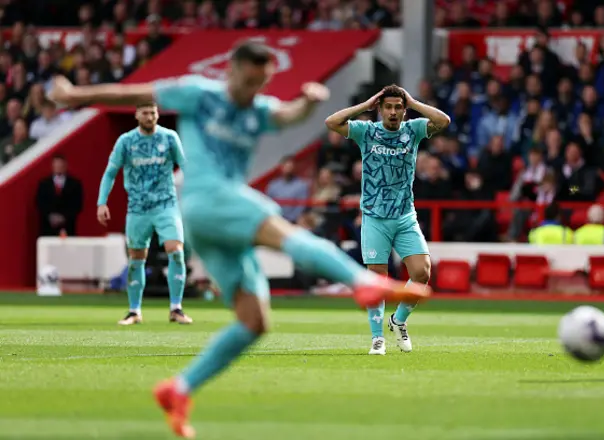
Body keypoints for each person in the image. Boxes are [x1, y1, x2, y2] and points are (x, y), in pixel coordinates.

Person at [49, 41, 427, 438]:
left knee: (254, 321)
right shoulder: (199, 93)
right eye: (249, 79)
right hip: (208, 200)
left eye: (262, 81)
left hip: (213, 219)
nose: (254, 88)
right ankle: (363, 283)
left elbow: (287, 115)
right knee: (284, 232)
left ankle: (178, 390)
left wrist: (308, 102)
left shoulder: (258, 109)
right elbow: (133, 93)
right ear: (233, 69)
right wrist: (75, 95)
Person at [325, 84, 450, 355]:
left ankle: (399, 320)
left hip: (405, 216)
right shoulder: (366, 131)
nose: (393, 112)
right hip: (374, 217)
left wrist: (414, 101)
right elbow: (332, 122)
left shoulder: (413, 130)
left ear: (404, 110)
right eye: (388, 107)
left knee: (422, 272)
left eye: (398, 107)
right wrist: (364, 106)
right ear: (380, 109)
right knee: (377, 279)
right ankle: (376, 338)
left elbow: (443, 121)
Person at [97, 102, 192, 326]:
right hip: (138, 208)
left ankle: (176, 308)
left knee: (176, 251)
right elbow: (110, 172)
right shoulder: (126, 141)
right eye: (145, 113)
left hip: (166, 205)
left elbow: (186, 166)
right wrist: (102, 202)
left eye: (153, 112)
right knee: (136, 259)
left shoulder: (169, 138)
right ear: (137, 115)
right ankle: (134, 311)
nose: (150, 117)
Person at [36, 154, 83, 237]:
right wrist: (50, 216)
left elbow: (77, 204)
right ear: (52, 166)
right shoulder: (44, 184)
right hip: (48, 229)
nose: (58, 167)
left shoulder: (75, 184)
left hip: (68, 227)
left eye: (60, 164)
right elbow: (40, 203)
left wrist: (64, 217)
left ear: (65, 165)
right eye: (56, 164)